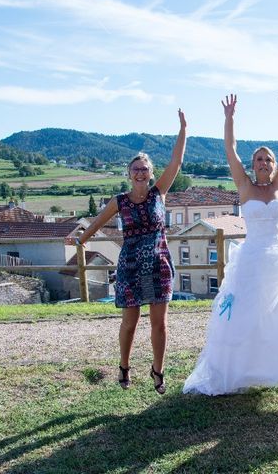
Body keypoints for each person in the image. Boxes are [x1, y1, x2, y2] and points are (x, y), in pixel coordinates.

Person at [183, 94, 278, 395]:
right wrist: (229, 118)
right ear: (253, 165)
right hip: (253, 257)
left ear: (273, 164)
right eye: (259, 159)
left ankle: (271, 368)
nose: (264, 162)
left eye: (268, 158)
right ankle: (237, 371)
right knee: (247, 314)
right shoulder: (244, 185)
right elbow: (230, 149)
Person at [77, 109, 187, 395]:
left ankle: (158, 370)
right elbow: (97, 222)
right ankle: (124, 366)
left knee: (160, 325)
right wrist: (80, 240)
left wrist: (183, 128)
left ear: (151, 174)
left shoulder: (158, 194)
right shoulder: (120, 201)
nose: (140, 172)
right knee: (130, 323)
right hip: (130, 268)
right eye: (135, 168)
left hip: (157, 265)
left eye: (145, 168)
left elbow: (177, 161)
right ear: (129, 173)